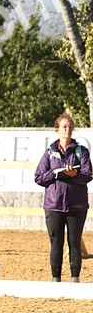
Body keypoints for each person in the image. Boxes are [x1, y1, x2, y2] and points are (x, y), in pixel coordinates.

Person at [34, 114, 92, 282]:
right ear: (57, 129)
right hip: (54, 205)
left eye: (70, 127)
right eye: (64, 126)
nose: (67, 130)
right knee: (56, 243)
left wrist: (74, 175)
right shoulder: (49, 153)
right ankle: (56, 279)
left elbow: (88, 175)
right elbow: (39, 177)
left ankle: (75, 279)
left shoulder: (82, 151)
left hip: (77, 205)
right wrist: (54, 173)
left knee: (74, 243)